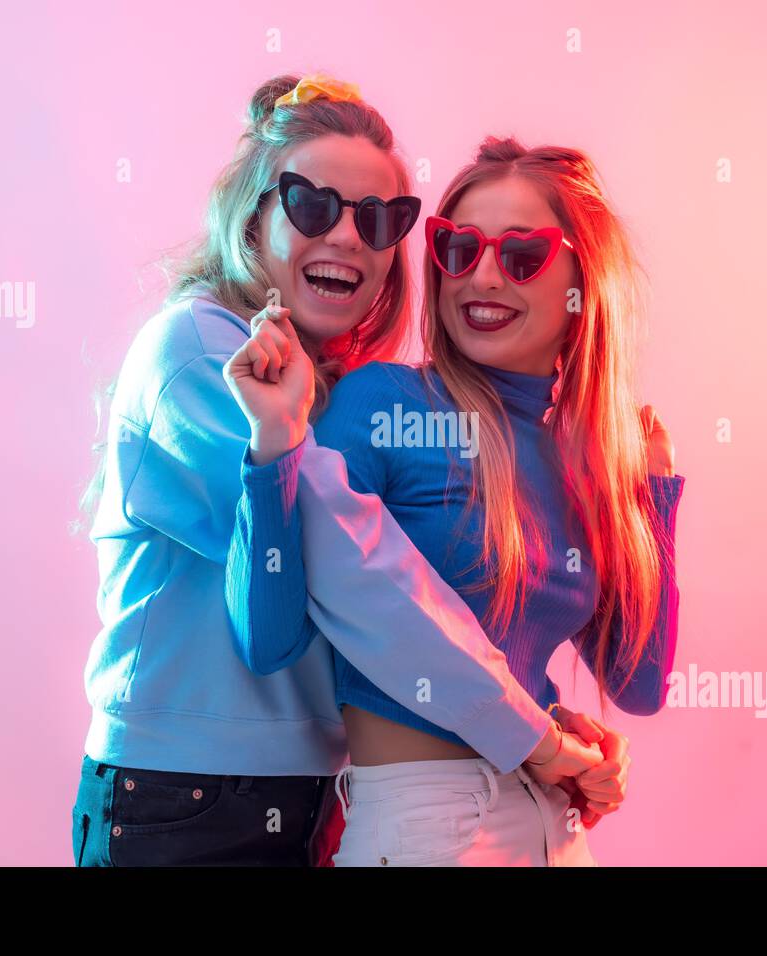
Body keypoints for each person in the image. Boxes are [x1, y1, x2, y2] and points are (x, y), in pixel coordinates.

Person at [70, 76, 604, 867]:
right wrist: (525, 731)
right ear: (254, 221)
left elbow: (416, 606)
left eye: (380, 218)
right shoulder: (196, 352)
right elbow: (350, 564)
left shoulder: (331, 389)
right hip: (180, 797)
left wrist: (544, 710)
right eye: (312, 205)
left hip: (315, 794)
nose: (349, 237)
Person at [225, 136, 685, 865]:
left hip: (555, 823)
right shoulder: (385, 401)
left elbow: (640, 682)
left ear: (582, 279)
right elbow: (271, 633)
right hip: (430, 826)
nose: (483, 277)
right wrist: (273, 446)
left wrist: (652, 495)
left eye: (522, 255)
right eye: (457, 249)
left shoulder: (583, 456)